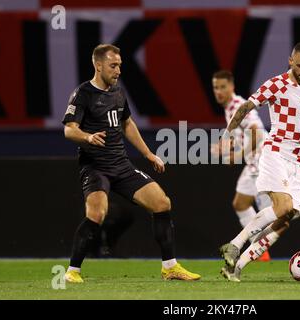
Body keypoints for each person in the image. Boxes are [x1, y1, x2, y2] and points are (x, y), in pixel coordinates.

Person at [62, 44, 200, 283]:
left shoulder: (118, 92)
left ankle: (170, 268)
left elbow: (127, 124)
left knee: (161, 202)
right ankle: (72, 272)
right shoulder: (83, 93)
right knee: (97, 213)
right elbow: (68, 130)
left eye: (120, 66)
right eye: (113, 66)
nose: (118, 71)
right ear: (98, 65)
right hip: (95, 166)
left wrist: (148, 154)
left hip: (121, 165)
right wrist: (87, 137)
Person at [219, 42, 300, 282]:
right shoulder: (275, 84)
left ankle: (236, 267)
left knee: (286, 220)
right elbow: (247, 107)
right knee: (283, 207)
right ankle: (235, 244)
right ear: (290, 61)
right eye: (299, 65)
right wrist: (226, 135)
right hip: (276, 152)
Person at [211, 70, 272, 262]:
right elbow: (245, 134)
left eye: (223, 87)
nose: (219, 91)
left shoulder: (238, 105)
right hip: (253, 164)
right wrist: (228, 147)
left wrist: (236, 155)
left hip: (264, 163)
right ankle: (260, 250)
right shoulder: (229, 108)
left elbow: (257, 134)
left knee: (278, 215)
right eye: (215, 88)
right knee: (240, 203)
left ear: (232, 87)